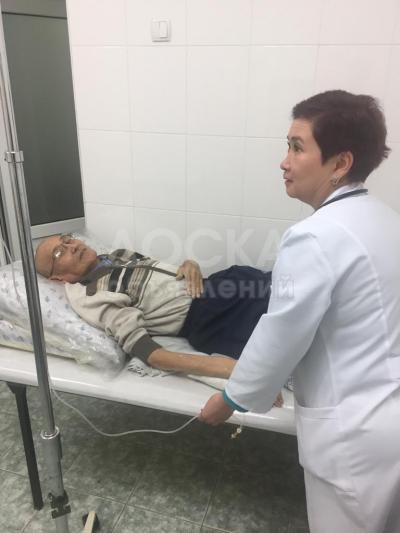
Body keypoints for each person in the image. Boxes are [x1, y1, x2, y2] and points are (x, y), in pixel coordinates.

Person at [199, 90, 400, 533]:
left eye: (296, 147)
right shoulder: (386, 220)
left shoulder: (315, 236)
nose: (283, 161)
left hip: (354, 437)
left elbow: (281, 333)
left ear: (340, 163)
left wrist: (229, 400)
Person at [34, 236, 277, 386]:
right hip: (212, 317)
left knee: (284, 284)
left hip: (219, 285)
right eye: (59, 252)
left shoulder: (116, 255)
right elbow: (152, 355)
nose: (72, 246)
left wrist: (189, 265)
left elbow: (161, 279)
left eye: (67, 240)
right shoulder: (91, 296)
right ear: (57, 278)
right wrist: (233, 370)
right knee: (286, 312)